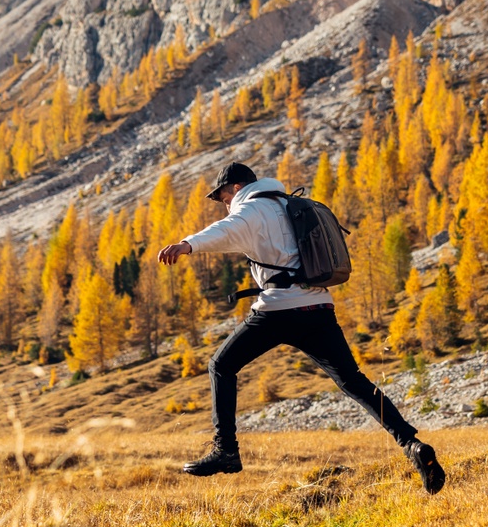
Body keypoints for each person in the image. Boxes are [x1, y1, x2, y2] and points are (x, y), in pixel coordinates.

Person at [157, 161, 445, 493]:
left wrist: (186, 244)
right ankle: (411, 444)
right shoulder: (288, 205)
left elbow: (224, 230)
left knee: (221, 365)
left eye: (222, 197)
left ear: (236, 188)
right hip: (319, 306)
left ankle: (226, 450)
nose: (224, 204)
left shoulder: (251, 209)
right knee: (353, 380)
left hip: (279, 309)